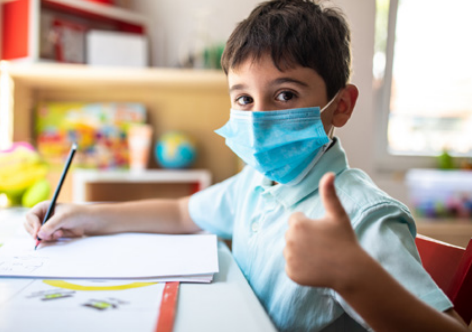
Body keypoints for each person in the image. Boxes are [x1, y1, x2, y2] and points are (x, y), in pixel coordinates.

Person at [25, 0, 468, 331]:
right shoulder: (256, 180)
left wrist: (353, 277)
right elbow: (184, 213)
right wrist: (84, 214)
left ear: (341, 107)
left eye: (286, 95)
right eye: (243, 99)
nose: (258, 118)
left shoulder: (362, 216)